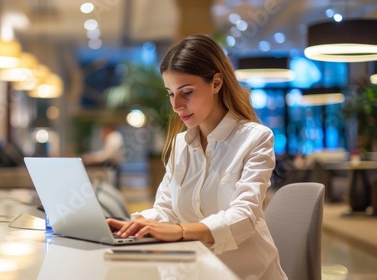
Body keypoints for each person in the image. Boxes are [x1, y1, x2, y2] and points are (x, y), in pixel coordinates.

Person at [107, 35, 287, 279]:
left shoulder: (255, 138)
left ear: (215, 83)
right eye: (170, 93)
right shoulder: (182, 144)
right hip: (196, 269)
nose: (176, 105)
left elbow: (244, 216)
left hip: (246, 272)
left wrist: (181, 231)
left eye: (187, 92)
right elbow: (167, 208)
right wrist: (135, 225)